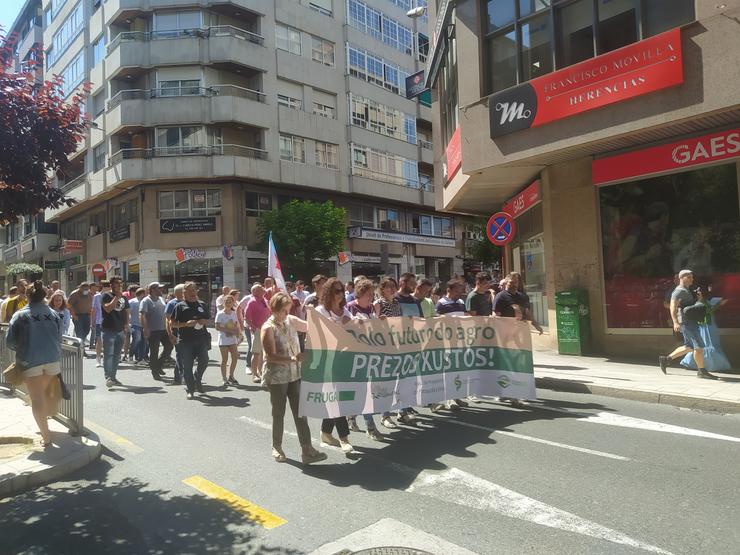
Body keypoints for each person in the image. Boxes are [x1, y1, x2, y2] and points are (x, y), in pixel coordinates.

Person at [261, 292, 327, 464]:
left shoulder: (291, 320)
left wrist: (314, 314)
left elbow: (311, 326)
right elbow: (270, 356)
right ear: (274, 309)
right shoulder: (268, 328)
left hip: (295, 374)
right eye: (283, 310)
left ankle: (307, 450)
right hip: (277, 377)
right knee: (279, 413)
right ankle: (277, 446)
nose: (286, 313)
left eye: (288, 309)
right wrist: (292, 359)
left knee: (301, 412)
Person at [6, 280, 63, 447]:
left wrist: (23, 347)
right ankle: (45, 422)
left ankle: (46, 437)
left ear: (27, 296)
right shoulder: (53, 314)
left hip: (30, 360)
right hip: (53, 359)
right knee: (41, 395)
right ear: (45, 296)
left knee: (36, 398)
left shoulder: (20, 315)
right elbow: (59, 338)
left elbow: (10, 342)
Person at [313, 277, 354, 453]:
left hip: (344, 359)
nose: (340, 294)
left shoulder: (345, 311)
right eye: (336, 291)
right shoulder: (320, 310)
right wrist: (339, 327)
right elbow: (318, 334)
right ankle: (344, 438)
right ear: (329, 292)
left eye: (342, 291)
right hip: (327, 360)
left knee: (334, 397)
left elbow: (356, 332)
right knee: (337, 399)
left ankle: (326, 433)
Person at [659, 270, 718, 379]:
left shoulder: (687, 290)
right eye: (689, 277)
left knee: (689, 347)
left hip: (691, 321)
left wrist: (699, 298)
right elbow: (672, 307)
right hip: (686, 323)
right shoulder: (678, 291)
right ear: (682, 278)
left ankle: (666, 359)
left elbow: (692, 306)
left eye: (692, 277)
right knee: (699, 347)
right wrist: (675, 322)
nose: (692, 279)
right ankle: (702, 371)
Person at [346, 278, 385, 441]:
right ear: (361, 293)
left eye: (372, 294)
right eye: (369, 294)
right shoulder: (350, 307)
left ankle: (352, 416)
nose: (372, 297)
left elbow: (374, 329)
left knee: (367, 390)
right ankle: (370, 427)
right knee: (364, 391)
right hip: (356, 355)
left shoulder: (370, 308)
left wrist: (379, 321)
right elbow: (346, 330)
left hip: (371, 354)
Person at [172, 282, 211, 399]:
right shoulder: (180, 306)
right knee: (187, 366)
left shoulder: (202, 304)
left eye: (194, 290)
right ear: (184, 293)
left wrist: (204, 321)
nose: (192, 292)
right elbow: (173, 324)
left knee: (204, 361)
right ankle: (190, 389)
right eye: (189, 290)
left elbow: (207, 318)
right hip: (185, 341)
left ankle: (197, 379)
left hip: (201, 339)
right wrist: (185, 324)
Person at [679, 285, 732, 372]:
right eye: (698, 292)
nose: (700, 293)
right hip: (705, 326)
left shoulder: (704, 300)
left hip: (709, 324)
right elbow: (708, 311)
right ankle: (707, 365)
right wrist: (719, 304)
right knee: (707, 344)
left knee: (710, 344)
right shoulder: (698, 302)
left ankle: (706, 364)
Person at [101, 277, 130, 389]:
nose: (118, 285)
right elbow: (108, 309)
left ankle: (113, 377)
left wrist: (126, 325)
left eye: (120, 283)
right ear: (112, 285)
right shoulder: (106, 296)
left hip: (120, 330)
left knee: (117, 355)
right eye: (116, 283)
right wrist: (117, 297)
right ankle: (108, 377)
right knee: (109, 355)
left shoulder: (124, 298)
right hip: (109, 329)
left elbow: (126, 311)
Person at [139, 282, 171, 381]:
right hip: (153, 330)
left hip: (163, 329)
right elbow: (142, 315)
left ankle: (158, 365)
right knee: (154, 351)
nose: (161, 290)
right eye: (159, 288)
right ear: (153, 290)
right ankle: (155, 372)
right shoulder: (146, 301)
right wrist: (145, 328)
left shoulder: (161, 299)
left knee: (169, 346)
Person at [245, 284, 272, 383]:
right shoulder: (252, 302)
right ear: (255, 291)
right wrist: (255, 328)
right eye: (261, 288)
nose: (263, 289)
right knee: (256, 353)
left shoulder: (264, 300)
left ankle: (260, 372)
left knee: (262, 353)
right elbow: (247, 318)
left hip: (267, 329)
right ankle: (254, 374)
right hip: (258, 330)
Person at [215, 295, 242, 387]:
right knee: (224, 359)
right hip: (223, 339)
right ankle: (224, 378)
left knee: (235, 357)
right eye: (226, 301)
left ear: (233, 303)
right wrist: (228, 331)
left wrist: (238, 334)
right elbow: (217, 327)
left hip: (232, 339)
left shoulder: (234, 313)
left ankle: (231, 376)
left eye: (230, 301)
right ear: (223, 303)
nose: (228, 303)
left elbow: (236, 325)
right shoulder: (220, 313)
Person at [165, 284, 185, 385]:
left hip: (188, 332)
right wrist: (170, 333)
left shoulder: (188, 302)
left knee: (183, 354)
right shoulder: (172, 303)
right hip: (176, 331)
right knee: (180, 354)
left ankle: (178, 377)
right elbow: (167, 320)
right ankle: (182, 376)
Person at [67, 282, 92, 347]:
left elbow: (91, 302)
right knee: (79, 333)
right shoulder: (74, 294)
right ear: (80, 288)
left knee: (87, 331)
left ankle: (78, 344)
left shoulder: (89, 293)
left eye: (87, 289)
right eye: (85, 289)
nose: (86, 291)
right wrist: (74, 315)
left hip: (87, 315)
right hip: (78, 316)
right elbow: (69, 305)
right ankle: (81, 349)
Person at [91, 280, 109, 367]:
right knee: (99, 340)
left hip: (110, 322)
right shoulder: (97, 296)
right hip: (99, 321)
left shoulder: (112, 295)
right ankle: (98, 359)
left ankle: (107, 359)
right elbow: (94, 310)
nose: (108, 289)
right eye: (107, 287)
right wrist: (93, 321)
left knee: (109, 340)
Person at [237, 287, 255, 375]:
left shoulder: (263, 299)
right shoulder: (247, 298)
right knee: (251, 345)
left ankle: (257, 366)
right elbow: (239, 309)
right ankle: (248, 365)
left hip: (260, 327)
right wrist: (240, 322)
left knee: (259, 347)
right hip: (249, 326)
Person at [128, 288, 146, 364]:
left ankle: (140, 358)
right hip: (135, 324)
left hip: (143, 324)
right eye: (144, 293)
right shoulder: (132, 302)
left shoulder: (144, 301)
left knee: (144, 342)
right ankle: (131, 356)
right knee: (136, 340)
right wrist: (129, 323)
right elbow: (128, 313)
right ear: (141, 294)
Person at [87, 283, 100, 350]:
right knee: (91, 329)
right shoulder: (87, 294)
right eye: (94, 287)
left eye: (96, 287)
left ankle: (94, 343)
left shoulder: (98, 294)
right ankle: (91, 344)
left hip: (96, 313)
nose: (95, 289)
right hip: (88, 313)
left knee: (94, 329)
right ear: (90, 287)